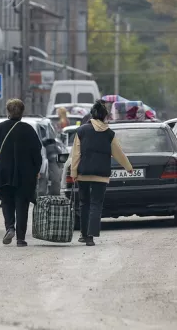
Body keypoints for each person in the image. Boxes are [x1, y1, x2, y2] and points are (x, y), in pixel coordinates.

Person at [0, 99, 42, 247]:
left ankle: (10, 227)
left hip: (5, 172)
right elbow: (37, 153)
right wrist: (37, 170)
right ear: (22, 112)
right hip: (25, 175)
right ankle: (20, 239)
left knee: (6, 202)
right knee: (22, 204)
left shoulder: (1, 128)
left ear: (8, 112)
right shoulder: (29, 130)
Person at [70, 100, 132, 246]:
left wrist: (73, 172)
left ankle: (84, 235)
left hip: (83, 173)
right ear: (105, 116)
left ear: (92, 114)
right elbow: (118, 153)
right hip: (101, 175)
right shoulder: (109, 134)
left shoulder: (81, 131)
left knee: (84, 204)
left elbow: (75, 154)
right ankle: (91, 236)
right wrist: (128, 167)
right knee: (96, 204)